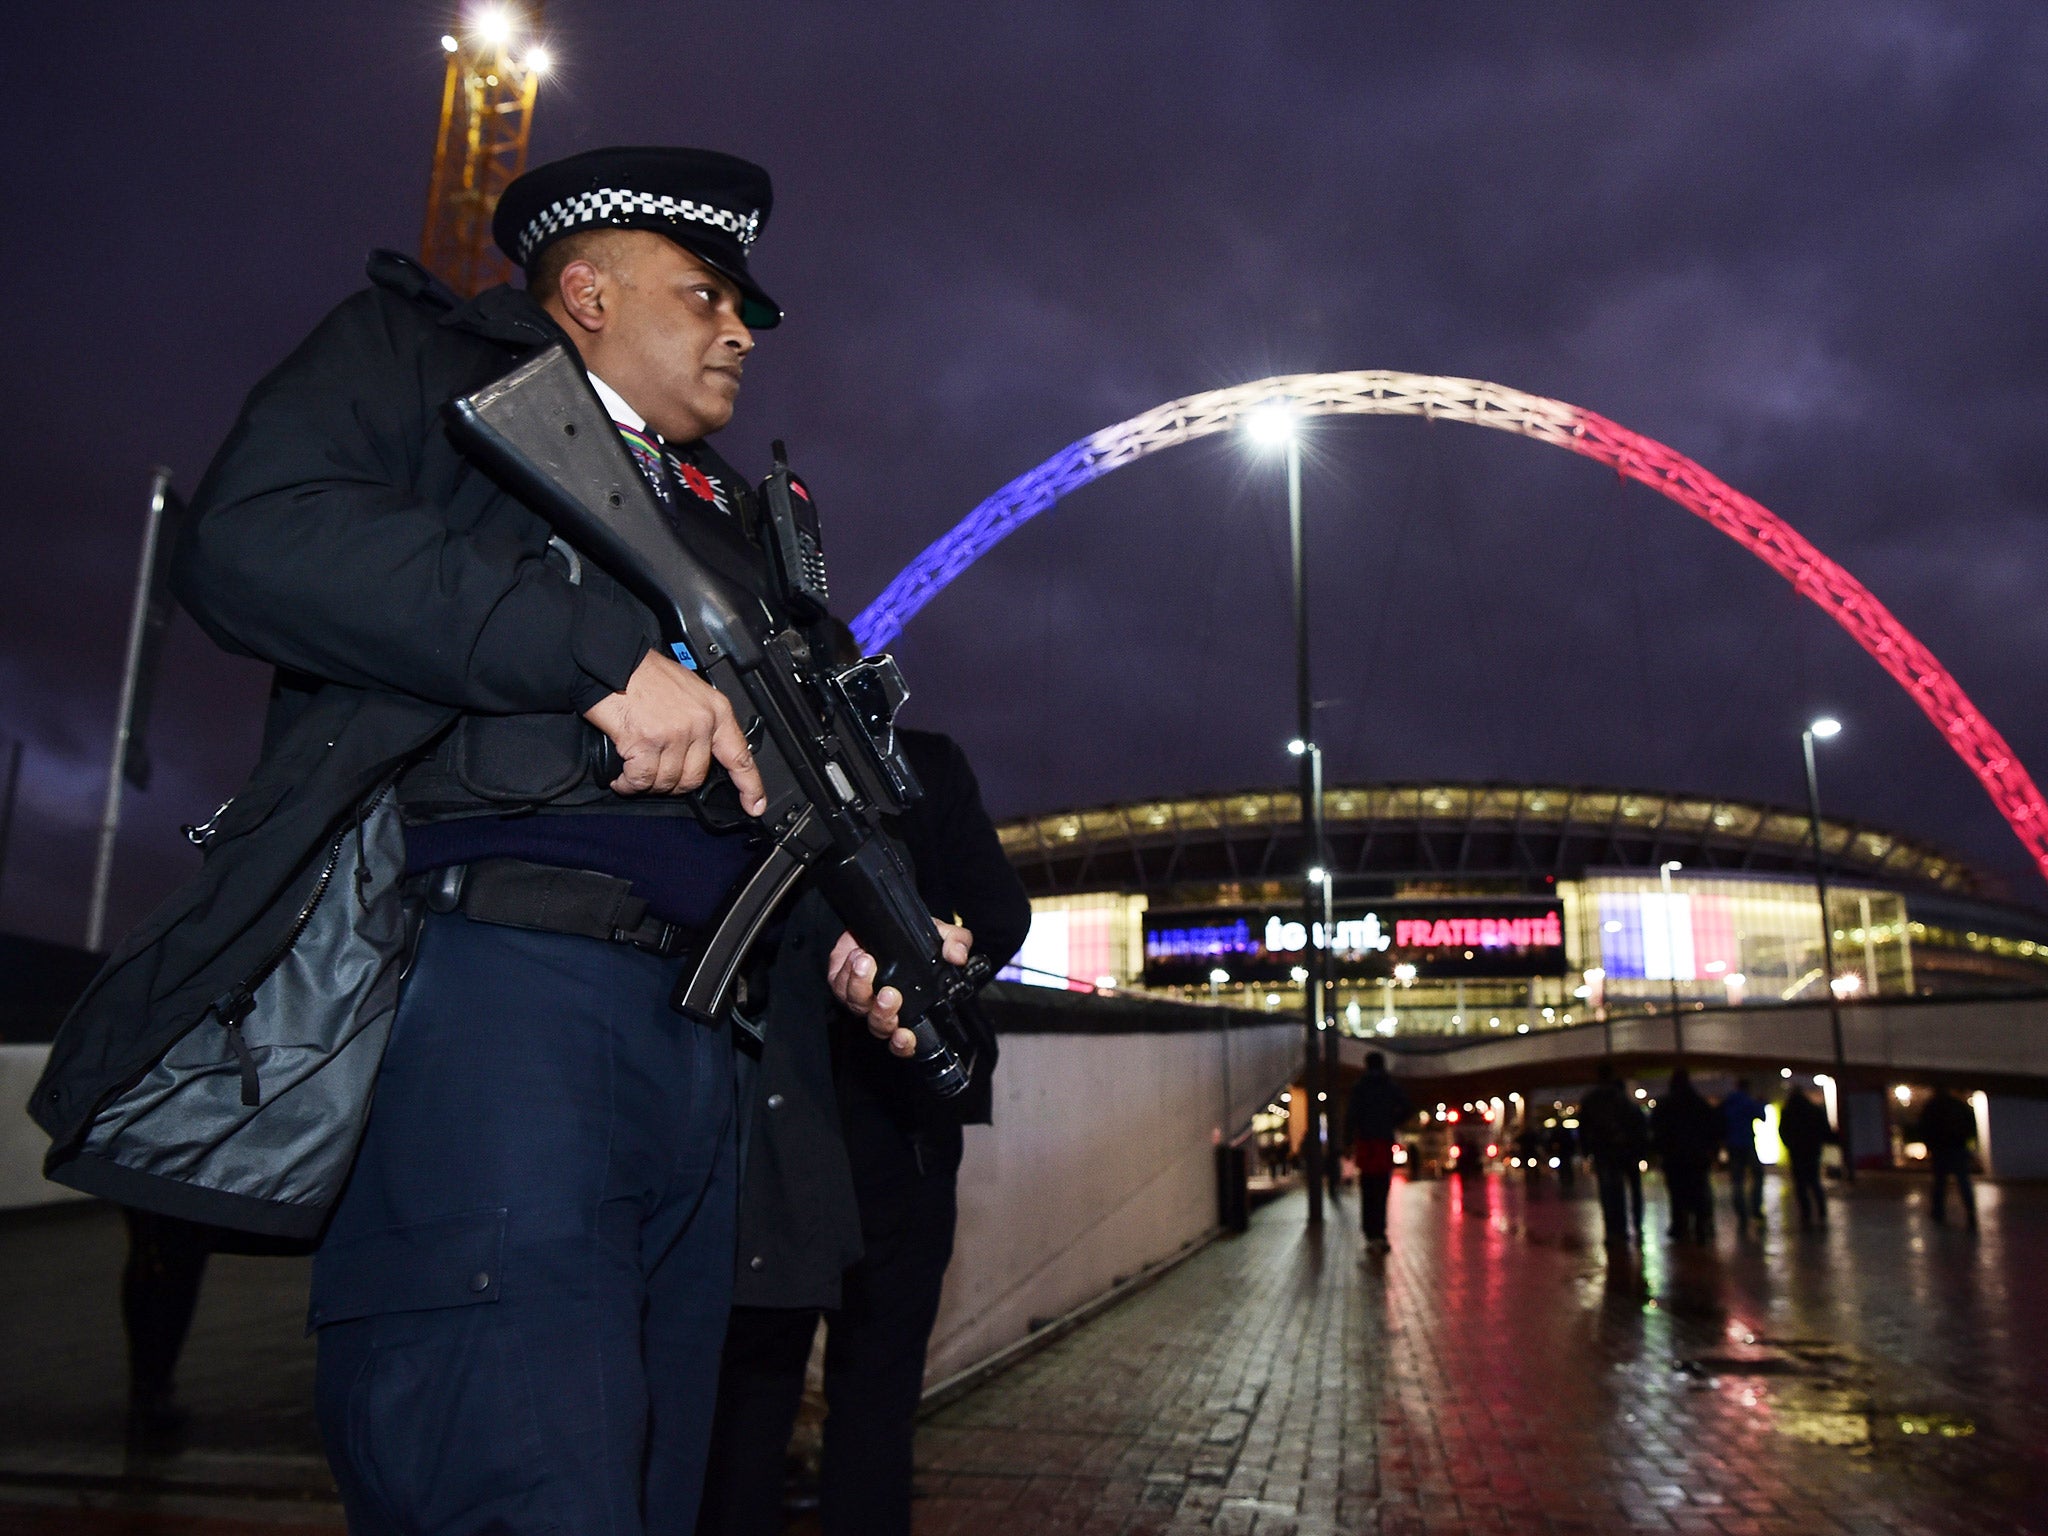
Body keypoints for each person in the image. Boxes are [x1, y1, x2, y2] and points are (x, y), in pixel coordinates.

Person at [33, 146, 949, 1533]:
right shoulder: (422, 364)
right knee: (511, 1480)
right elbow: (256, 537)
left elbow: (790, 792)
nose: (739, 330)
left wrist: (873, 936)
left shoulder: (745, 521)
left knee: (644, 1490)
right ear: (583, 291)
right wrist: (592, 656)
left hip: (710, 1051)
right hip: (507, 993)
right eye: (705, 294)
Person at [698, 721, 1031, 1536]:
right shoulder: (926, 760)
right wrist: (927, 955)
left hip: (771, 1130)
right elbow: (1001, 917)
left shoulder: (743, 751)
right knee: (876, 1410)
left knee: (746, 1407)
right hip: (900, 1130)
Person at [1345, 1052, 1412, 1251]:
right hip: (1383, 1142)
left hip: (1365, 1143)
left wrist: (1349, 1140)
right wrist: (1391, 1122)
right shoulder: (1389, 1086)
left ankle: (1370, 1232)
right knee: (1382, 1188)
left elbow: (1351, 1115)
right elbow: (1407, 1107)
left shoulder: (1360, 1087)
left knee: (1368, 1188)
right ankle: (1380, 1233)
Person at [1579, 1062, 1647, 1246]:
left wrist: (1587, 1151)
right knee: (1632, 1189)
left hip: (1603, 1151)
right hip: (1625, 1151)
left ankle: (1613, 1229)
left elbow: (1584, 1127)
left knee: (1609, 1191)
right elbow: (1637, 1124)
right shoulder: (1622, 1099)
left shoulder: (1591, 1100)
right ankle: (1634, 1224)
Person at [1651, 1068, 1719, 1243]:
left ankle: (1679, 1224)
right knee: (1699, 1189)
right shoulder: (1700, 1104)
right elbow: (1713, 1129)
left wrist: (1659, 1151)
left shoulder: (1665, 1105)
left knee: (1677, 1192)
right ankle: (1701, 1225)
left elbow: (1656, 1131)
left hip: (1673, 1157)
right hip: (1697, 1155)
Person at [1913, 1084, 1980, 1230]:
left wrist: (1929, 1145)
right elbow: (1970, 1123)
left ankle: (1938, 1213)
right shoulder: (1958, 1105)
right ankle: (1970, 1212)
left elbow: (1924, 1127)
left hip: (1940, 1149)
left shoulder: (1932, 1107)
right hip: (1958, 1147)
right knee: (1963, 1181)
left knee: (1940, 1182)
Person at [1778, 1080, 1833, 1230]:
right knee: (1814, 1181)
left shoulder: (1788, 1111)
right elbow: (1824, 1129)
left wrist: (1790, 1145)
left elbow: (1783, 1132)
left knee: (1800, 1185)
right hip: (1812, 1150)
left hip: (1796, 1152)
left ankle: (1806, 1214)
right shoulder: (1813, 1109)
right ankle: (1822, 1211)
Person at [1720, 1077, 1768, 1234]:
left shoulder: (1728, 1102)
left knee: (1737, 1180)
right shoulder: (1748, 1101)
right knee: (1758, 1174)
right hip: (1747, 1143)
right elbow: (1761, 1116)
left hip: (1732, 1145)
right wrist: (1761, 1103)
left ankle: (1741, 1213)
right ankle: (1755, 1206)